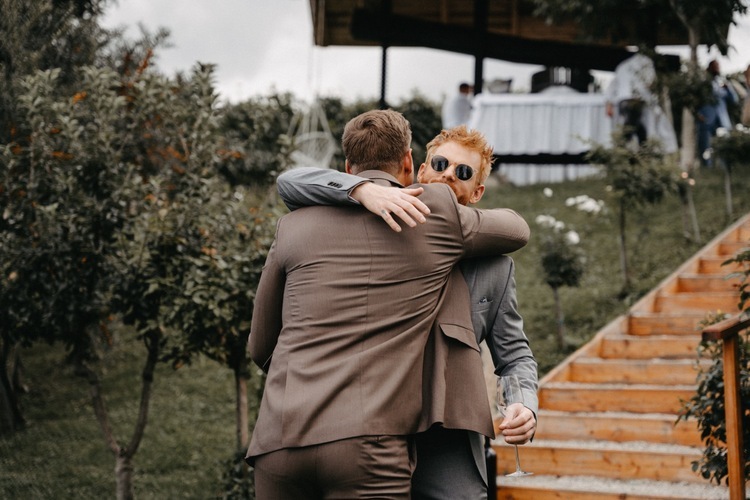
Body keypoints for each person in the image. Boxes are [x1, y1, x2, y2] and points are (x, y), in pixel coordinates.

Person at [246, 110, 530, 499]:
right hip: (370, 436)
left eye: (463, 173)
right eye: (441, 165)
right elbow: (291, 181)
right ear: (415, 166)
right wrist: (361, 190)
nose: (449, 176)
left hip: (436, 444)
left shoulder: (493, 265)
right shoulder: (424, 212)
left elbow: (514, 352)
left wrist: (524, 404)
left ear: (478, 192)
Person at [604, 52, 677, 152]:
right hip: (635, 100)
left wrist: (609, 102)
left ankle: (640, 149)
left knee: (637, 127)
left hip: (623, 100)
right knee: (631, 127)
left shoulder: (623, 65)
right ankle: (621, 149)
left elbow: (612, 86)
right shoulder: (646, 62)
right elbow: (650, 81)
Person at [697, 59, 739, 167]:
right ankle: (707, 167)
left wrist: (728, 88)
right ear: (709, 68)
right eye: (714, 66)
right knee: (705, 144)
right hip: (706, 118)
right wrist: (699, 114)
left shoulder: (723, 82)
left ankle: (725, 166)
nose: (717, 68)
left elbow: (734, 100)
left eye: (718, 66)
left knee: (724, 142)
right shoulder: (703, 82)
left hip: (722, 118)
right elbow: (696, 100)